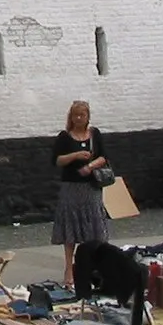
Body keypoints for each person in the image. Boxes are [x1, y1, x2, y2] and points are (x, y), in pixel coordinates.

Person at [51, 101, 114, 290]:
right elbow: (57, 160)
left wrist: (90, 166)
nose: (79, 118)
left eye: (82, 115)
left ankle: (94, 267)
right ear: (71, 117)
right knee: (70, 231)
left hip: (91, 187)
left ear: (88, 116)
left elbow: (104, 156)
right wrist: (76, 155)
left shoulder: (95, 134)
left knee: (96, 229)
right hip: (71, 187)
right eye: (75, 115)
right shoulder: (64, 137)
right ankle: (69, 268)